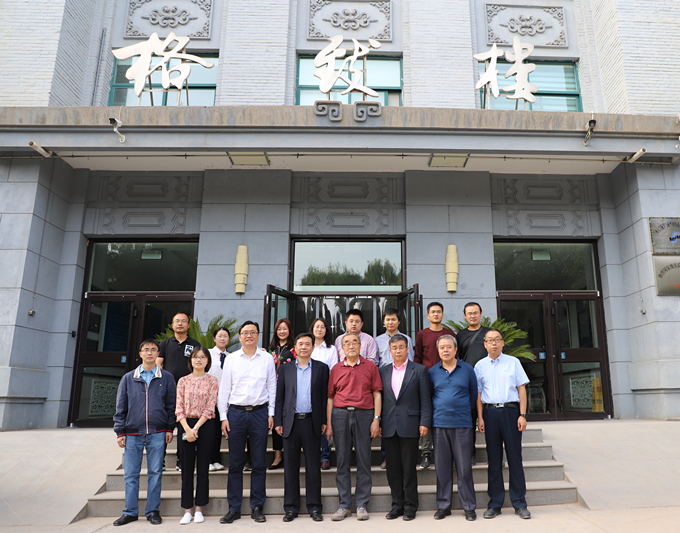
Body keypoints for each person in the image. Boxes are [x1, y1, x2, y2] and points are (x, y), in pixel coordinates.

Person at [218, 321, 277, 524]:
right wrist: (223, 417)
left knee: (259, 462)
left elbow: (272, 386)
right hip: (236, 414)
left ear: (258, 335)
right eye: (245, 332)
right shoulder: (232, 359)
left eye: (253, 332)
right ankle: (233, 508)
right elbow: (224, 389)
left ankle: (257, 506)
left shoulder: (267, 358)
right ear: (240, 336)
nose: (249, 335)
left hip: (260, 413)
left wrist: (271, 413)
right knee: (235, 463)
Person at [112, 339, 176, 527]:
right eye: (146, 350)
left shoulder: (166, 377)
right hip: (132, 433)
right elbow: (121, 407)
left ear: (158, 354)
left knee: (155, 473)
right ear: (140, 353)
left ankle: (153, 511)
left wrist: (169, 428)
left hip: (158, 432)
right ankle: (130, 512)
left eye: (153, 350)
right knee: (131, 474)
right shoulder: (128, 378)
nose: (149, 353)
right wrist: (120, 431)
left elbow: (171, 406)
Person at [475, 329, 531, 520]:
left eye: (497, 340)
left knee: (515, 458)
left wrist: (522, 415)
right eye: (490, 340)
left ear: (502, 342)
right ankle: (495, 504)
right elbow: (478, 395)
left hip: (511, 413)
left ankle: (520, 503)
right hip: (490, 414)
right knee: (494, 460)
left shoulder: (513, 362)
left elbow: (521, 389)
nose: (494, 343)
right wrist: (480, 418)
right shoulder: (480, 366)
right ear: (485, 344)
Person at [274, 333, 329, 522]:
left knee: (313, 467)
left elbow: (324, 397)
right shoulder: (286, 368)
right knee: (290, 467)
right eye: (300, 344)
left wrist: (324, 420)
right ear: (295, 348)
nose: (304, 347)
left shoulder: (322, 368)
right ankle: (291, 508)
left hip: (312, 422)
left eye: (307, 344)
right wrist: (279, 421)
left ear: (313, 347)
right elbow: (280, 397)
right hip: (291, 423)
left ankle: (314, 507)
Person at [326, 333, 382, 521]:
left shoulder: (370, 366)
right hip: (340, 415)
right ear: (342, 348)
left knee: (364, 460)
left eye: (355, 342)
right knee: (342, 460)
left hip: (364, 415)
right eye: (347, 343)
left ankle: (361, 505)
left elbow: (377, 394)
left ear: (360, 346)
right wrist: (329, 424)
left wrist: (376, 419)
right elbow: (330, 398)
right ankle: (344, 505)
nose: (351, 346)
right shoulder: (336, 369)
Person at [379, 334, 431, 521]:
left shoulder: (419, 370)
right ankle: (397, 506)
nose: (398, 350)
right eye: (394, 348)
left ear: (407, 349)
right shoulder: (383, 371)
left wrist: (424, 422)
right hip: (389, 425)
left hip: (410, 425)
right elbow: (380, 399)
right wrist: (378, 421)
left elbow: (425, 399)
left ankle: (410, 507)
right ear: (390, 350)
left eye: (401, 347)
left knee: (409, 469)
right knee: (392, 470)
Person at [429, 335, 477, 521]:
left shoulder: (467, 369)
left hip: (462, 424)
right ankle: (443, 506)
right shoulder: (432, 372)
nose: (445, 350)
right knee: (442, 468)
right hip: (439, 425)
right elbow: (429, 397)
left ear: (456, 349)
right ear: (438, 350)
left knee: (464, 468)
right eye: (442, 347)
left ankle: (469, 507)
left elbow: (473, 396)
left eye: (449, 347)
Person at [176, 346, 219, 525]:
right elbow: (179, 407)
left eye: (202, 357)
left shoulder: (212, 381)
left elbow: (211, 406)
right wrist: (188, 429)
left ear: (208, 360)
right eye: (195, 357)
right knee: (186, 470)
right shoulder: (183, 381)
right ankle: (187, 510)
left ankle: (199, 508)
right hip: (185, 425)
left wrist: (196, 427)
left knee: (203, 469)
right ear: (190, 360)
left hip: (205, 425)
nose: (198, 360)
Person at [414, 302, 455, 469]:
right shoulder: (422, 334)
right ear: (428, 315)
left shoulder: (450, 334)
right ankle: (426, 452)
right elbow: (417, 357)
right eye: (433, 312)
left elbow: (455, 356)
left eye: (439, 311)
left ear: (442, 315)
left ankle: (448, 451)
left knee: (444, 410)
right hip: (427, 378)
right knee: (427, 411)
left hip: (447, 378)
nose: (436, 314)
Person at [157, 313, 200, 471]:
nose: (180, 324)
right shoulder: (164, 344)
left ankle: (181, 460)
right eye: (177, 321)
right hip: (168, 392)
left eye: (183, 321)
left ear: (188, 325)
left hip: (188, 393)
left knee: (184, 427)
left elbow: (198, 365)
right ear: (172, 325)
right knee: (164, 425)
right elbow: (158, 364)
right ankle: (160, 460)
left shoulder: (194, 344)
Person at [456, 302, 491, 465]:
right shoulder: (460, 335)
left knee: (490, 420)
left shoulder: (488, 333)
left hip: (488, 382)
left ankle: (494, 455)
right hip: (468, 383)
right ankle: (470, 454)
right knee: (469, 421)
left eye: (475, 313)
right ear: (465, 316)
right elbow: (459, 357)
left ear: (481, 314)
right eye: (469, 313)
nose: (473, 316)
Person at [309, 318, 338, 470]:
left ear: (326, 330)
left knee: (324, 421)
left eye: (322, 327)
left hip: (325, 389)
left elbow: (333, 370)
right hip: (307, 389)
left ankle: (325, 456)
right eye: (317, 326)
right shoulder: (308, 346)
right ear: (312, 329)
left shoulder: (331, 349)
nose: (319, 329)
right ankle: (313, 455)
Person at [268, 318, 296, 470]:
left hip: (289, 389)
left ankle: (290, 454)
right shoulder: (271, 349)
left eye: (285, 328)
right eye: (279, 329)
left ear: (289, 330)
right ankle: (278, 455)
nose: (282, 331)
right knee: (276, 420)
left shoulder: (294, 349)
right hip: (273, 389)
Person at [207, 327, 230, 471]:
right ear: (214, 338)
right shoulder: (208, 353)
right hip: (209, 397)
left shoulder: (231, 356)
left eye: (225, 336)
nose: (222, 338)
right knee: (210, 430)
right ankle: (208, 460)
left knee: (219, 430)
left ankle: (216, 459)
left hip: (224, 398)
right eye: (220, 336)